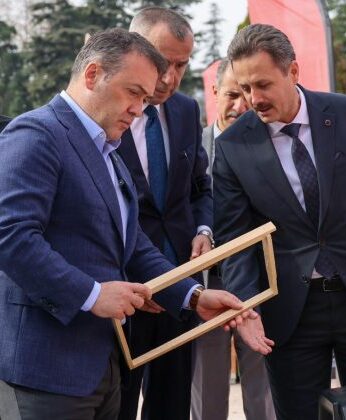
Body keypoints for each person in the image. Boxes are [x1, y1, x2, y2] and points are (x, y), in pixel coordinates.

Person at [0, 28, 268, 420]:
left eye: (145, 98)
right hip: (46, 372)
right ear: (92, 75)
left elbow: (135, 245)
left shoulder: (108, 151)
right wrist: (91, 294)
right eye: (133, 93)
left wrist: (194, 296)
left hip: (103, 368)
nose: (139, 109)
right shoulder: (35, 134)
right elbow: (10, 236)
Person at [214, 24, 346, 419]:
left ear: (292, 71)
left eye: (263, 84)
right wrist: (246, 308)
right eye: (244, 88)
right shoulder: (233, 147)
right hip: (291, 315)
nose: (253, 99)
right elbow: (235, 239)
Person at [116, 7, 213, 420]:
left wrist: (204, 230)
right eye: (161, 62)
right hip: (121, 293)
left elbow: (200, 187)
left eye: (181, 65)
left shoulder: (187, 111)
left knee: (172, 404)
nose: (170, 78)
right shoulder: (103, 115)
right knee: (118, 404)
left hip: (180, 287)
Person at [191, 59, 276, 420]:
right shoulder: (191, 146)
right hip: (205, 287)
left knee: (264, 392)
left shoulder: (269, 144)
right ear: (214, 92)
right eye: (230, 95)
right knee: (207, 391)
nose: (239, 105)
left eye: (245, 95)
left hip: (257, 286)